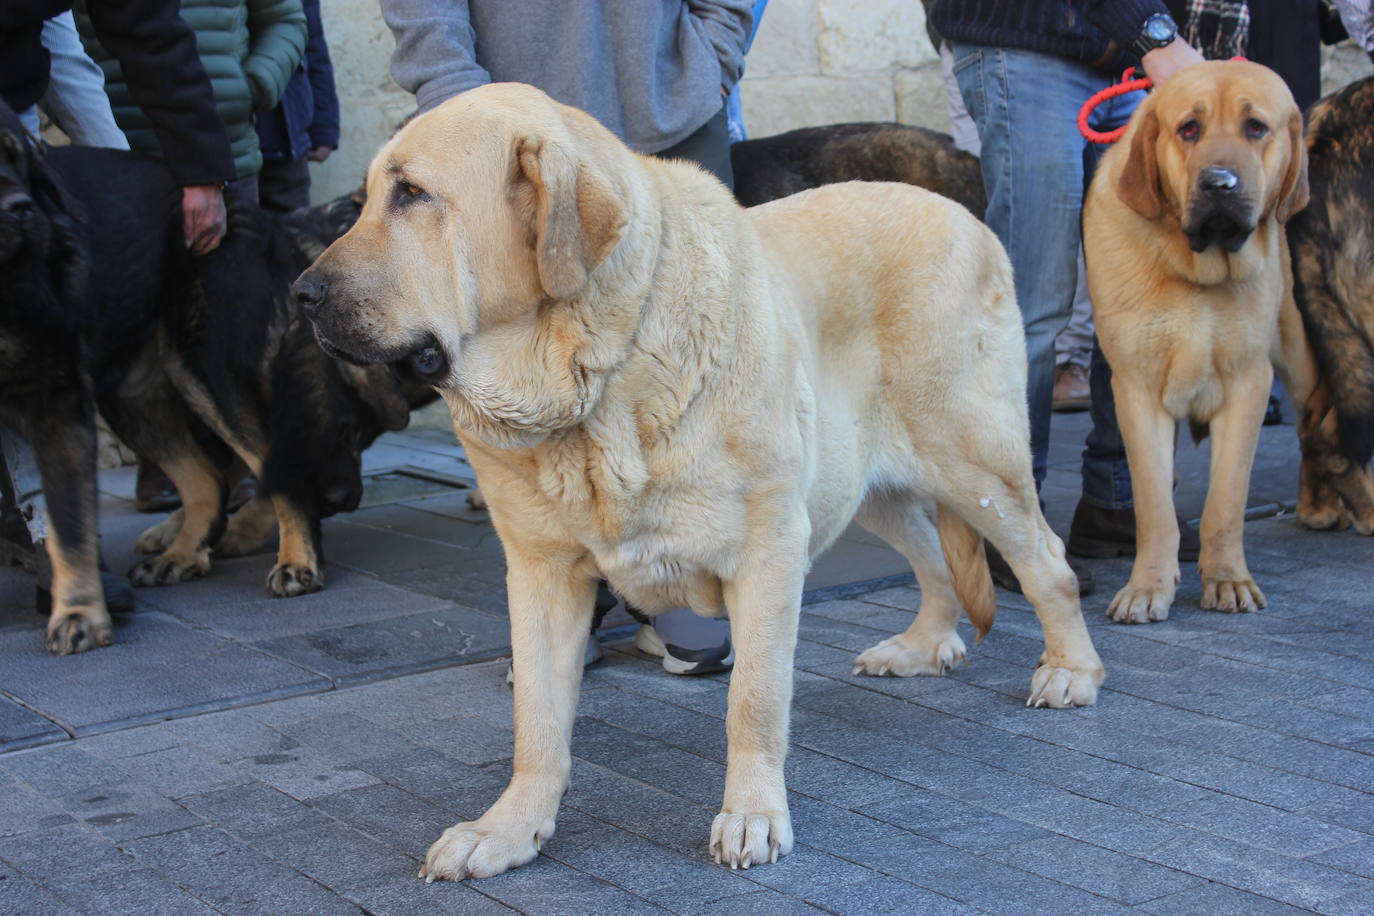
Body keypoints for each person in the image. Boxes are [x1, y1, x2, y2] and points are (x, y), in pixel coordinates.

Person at [381, 0, 753, 673]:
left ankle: (672, 582)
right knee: (526, 363)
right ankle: (565, 590)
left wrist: (710, 59)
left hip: (670, 110)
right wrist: (466, 114)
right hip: (501, 143)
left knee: (684, 369)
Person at [927, 2, 1206, 594]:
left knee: (1136, 303)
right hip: (1029, 49)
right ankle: (1007, 519)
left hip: (1122, 56)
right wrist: (1155, 33)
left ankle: (1117, 503)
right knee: (1033, 306)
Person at [1, 0, 236, 615]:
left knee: (39, 375)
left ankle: (64, 564)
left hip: (10, 117)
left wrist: (173, 179)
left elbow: (140, 27)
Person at [254, 0, 338, 213]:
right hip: (229, 140)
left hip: (287, 137)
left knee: (292, 238)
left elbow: (312, 42)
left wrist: (323, 126)